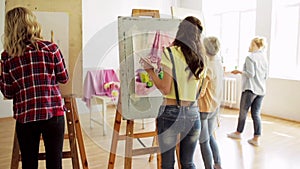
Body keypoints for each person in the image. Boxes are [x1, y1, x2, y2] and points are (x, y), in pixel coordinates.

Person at [0, 7, 69, 169]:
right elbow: (64, 78)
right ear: (33, 23)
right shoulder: (51, 48)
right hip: (53, 115)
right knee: (55, 162)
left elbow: (8, 93)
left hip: (26, 118)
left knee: (29, 164)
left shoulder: (6, 57)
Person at [141, 16, 205, 169]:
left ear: (180, 31)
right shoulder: (201, 57)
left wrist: (149, 70)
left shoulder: (170, 52)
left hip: (170, 113)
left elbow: (165, 88)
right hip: (193, 113)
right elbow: (199, 91)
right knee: (188, 163)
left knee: (168, 163)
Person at [227, 36, 268, 146]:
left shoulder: (250, 58)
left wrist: (240, 71)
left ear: (256, 45)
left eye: (251, 44)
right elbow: (266, 76)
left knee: (243, 112)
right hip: (261, 90)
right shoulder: (264, 58)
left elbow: (250, 74)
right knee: (256, 114)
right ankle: (256, 138)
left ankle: (238, 132)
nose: (249, 46)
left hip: (250, 89)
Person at [198, 36, 223, 169]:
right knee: (209, 136)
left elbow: (201, 92)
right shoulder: (218, 63)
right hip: (215, 106)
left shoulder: (208, 68)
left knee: (203, 141)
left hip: (204, 108)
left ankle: (209, 167)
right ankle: (217, 164)